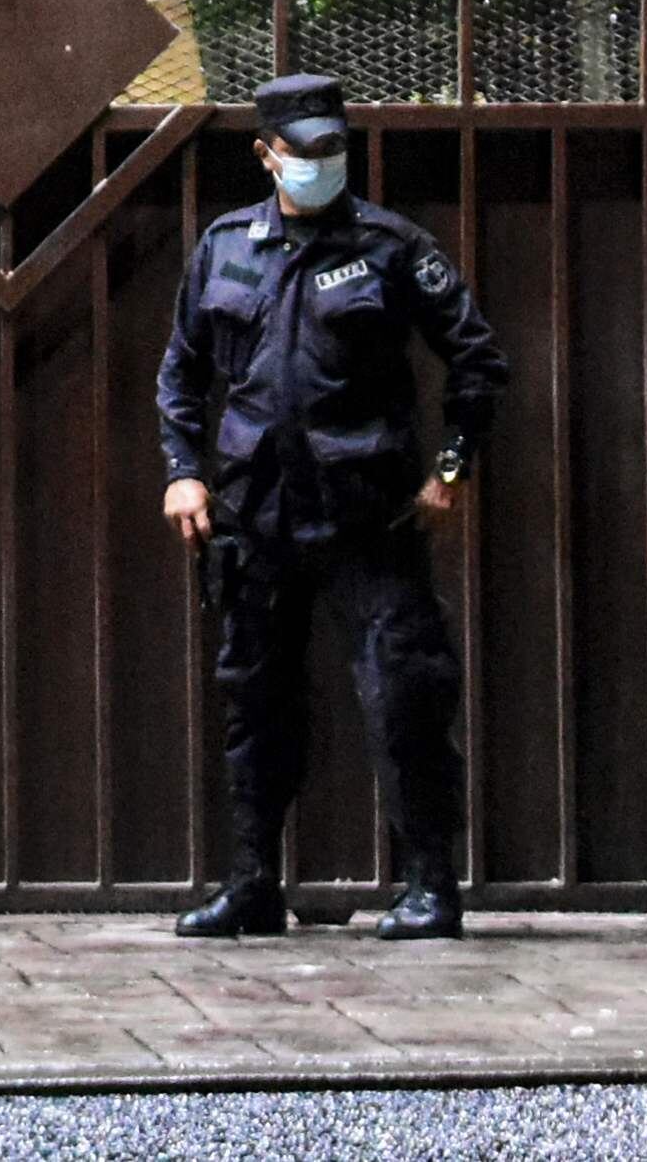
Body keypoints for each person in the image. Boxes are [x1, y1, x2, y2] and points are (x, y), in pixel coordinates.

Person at [156, 73, 508, 941]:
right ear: (265, 154)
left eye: (333, 148)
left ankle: (430, 887)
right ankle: (251, 885)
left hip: (366, 520)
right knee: (254, 705)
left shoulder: (391, 246)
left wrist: (450, 469)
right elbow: (180, 374)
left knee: (405, 700)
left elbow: (476, 360)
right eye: (303, 150)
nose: (320, 162)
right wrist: (182, 472)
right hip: (254, 516)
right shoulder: (225, 246)